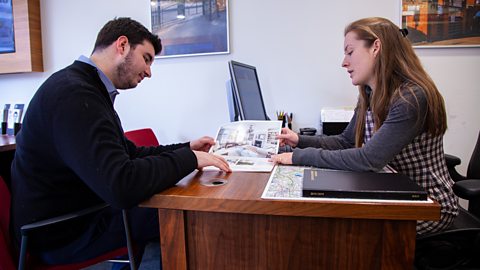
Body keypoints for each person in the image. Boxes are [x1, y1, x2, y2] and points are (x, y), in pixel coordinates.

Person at [10, 17, 230, 266]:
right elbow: (121, 185)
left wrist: (186, 149)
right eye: (146, 58)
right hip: (59, 234)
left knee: (170, 208)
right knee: (178, 214)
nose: (148, 72)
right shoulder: (74, 95)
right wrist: (189, 160)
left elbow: (130, 153)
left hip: (79, 216)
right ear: (122, 45)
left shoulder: (87, 88)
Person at [271, 17, 458, 235]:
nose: (344, 62)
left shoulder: (412, 98)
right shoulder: (370, 95)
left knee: (342, 233)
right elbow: (345, 141)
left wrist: (298, 157)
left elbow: (368, 159)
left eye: (350, 52)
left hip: (428, 204)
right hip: (392, 192)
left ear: (376, 47)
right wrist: (299, 140)